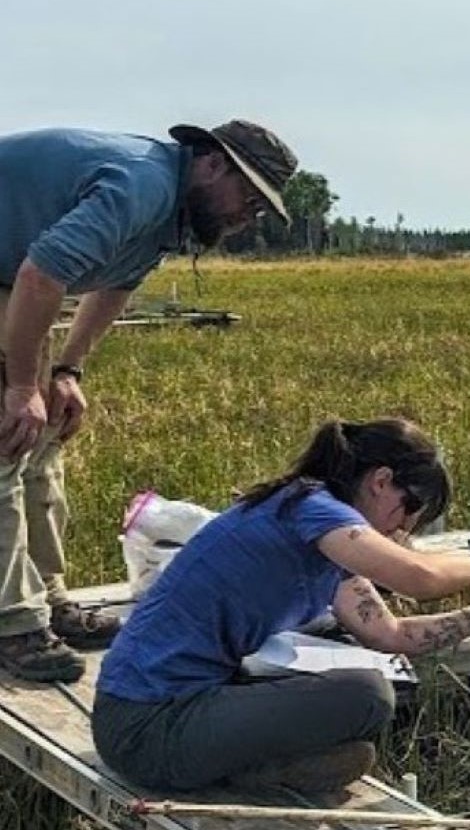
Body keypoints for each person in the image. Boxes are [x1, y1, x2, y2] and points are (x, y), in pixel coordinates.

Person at [92, 418, 470, 795]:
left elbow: (390, 635)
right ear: (382, 481)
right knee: (366, 696)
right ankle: (251, 772)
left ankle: (259, 765)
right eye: (407, 515)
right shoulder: (313, 510)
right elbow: (418, 577)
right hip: (146, 726)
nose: (399, 535)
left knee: (364, 689)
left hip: (162, 709)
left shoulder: (320, 534)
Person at [0, 119, 299, 682]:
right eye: (249, 199)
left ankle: (47, 598)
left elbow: (115, 285)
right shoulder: (142, 186)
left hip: (13, 277)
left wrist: (66, 370)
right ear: (211, 163)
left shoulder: (170, 212)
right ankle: (13, 626)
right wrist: (19, 388)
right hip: (17, 277)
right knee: (5, 444)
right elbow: (42, 274)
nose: (247, 218)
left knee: (42, 444)